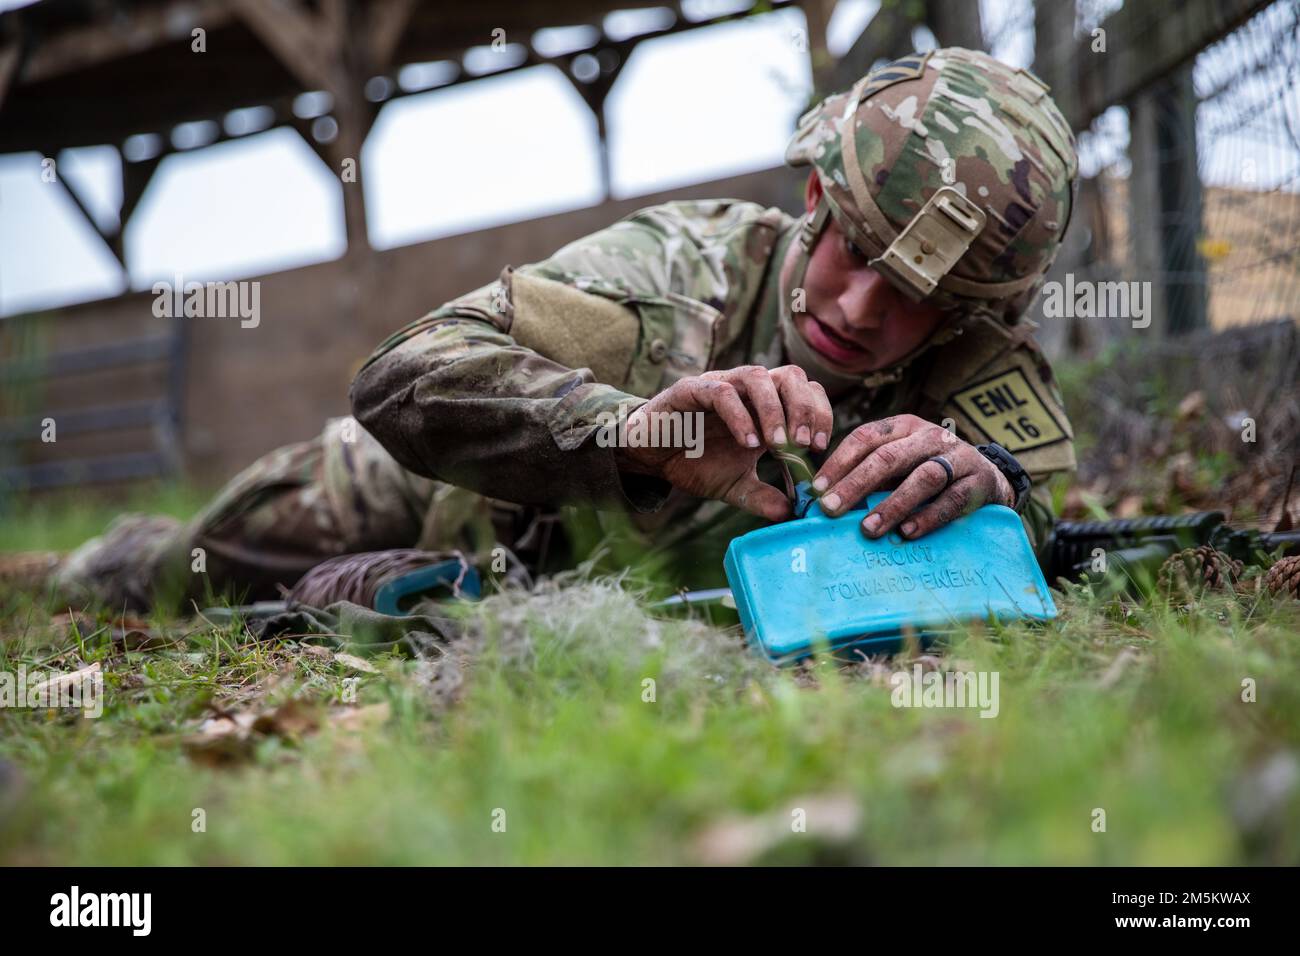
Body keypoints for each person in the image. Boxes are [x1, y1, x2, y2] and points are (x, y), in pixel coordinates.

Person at [50, 46, 1079, 612]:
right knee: (193, 568)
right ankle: (95, 560)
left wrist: (988, 486)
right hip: (447, 488)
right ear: (814, 194)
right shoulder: (679, 273)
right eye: (855, 251)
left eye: (913, 295)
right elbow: (401, 379)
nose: (862, 308)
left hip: (573, 580)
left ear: (971, 314)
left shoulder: (979, 372)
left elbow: (1037, 523)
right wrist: (637, 435)